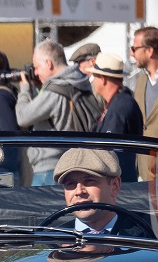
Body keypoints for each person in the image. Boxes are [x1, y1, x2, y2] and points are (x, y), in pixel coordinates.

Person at [15, 39, 100, 185]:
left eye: (37, 67)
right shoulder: (81, 83)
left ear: (48, 64)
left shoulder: (55, 91)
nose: (35, 72)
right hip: (74, 163)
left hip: (49, 170)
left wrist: (24, 90)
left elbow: (22, 117)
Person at [52, 148, 154, 239]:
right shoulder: (52, 240)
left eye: (89, 181)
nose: (79, 191)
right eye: (70, 183)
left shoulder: (152, 231)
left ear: (115, 186)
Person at [130, 26, 158, 142]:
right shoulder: (140, 80)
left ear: (150, 51)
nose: (131, 53)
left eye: (134, 49)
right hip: (141, 156)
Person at [88, 54, 143, 136]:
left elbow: (110, 147)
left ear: (103, 79)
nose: (93, 81)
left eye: (94, 76)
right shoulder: (121, 100)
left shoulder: (118, 108)